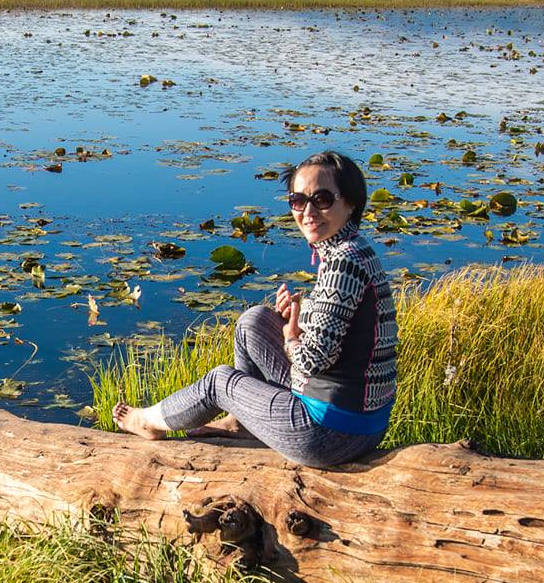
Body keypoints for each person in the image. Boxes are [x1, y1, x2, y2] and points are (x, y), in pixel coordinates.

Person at [115, 150, 397, 467]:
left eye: (321, 199)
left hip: (329, 433)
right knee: (255, 321)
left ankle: (148, 422)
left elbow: (314, 360)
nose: (307, 211)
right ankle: (242, 423)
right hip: (359, 422)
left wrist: (291, 337)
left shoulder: (343, 262)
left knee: (219, 382)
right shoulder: (352, 250)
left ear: (350, 203)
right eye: (297, 200)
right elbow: (342, 336)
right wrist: (297, 317)